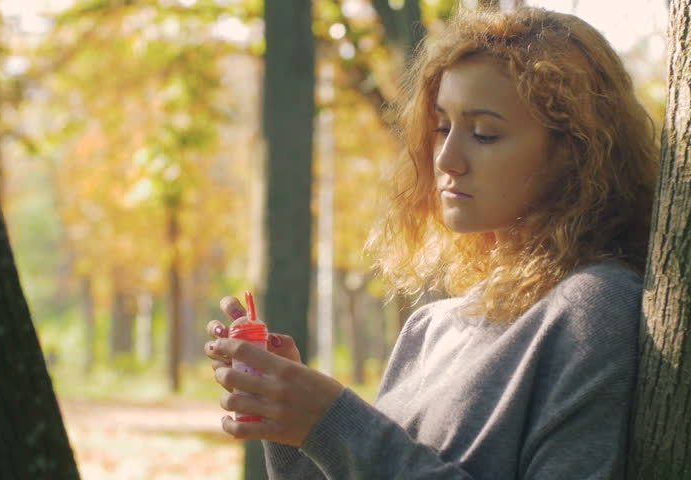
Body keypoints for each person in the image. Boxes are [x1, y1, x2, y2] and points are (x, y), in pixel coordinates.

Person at [205, 6, 658, 479]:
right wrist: (289, 417)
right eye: (442, 126)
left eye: (484, 133)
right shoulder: (429, 328)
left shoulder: (594, 307)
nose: (446, 157)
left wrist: (332, 421)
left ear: (574, 149)